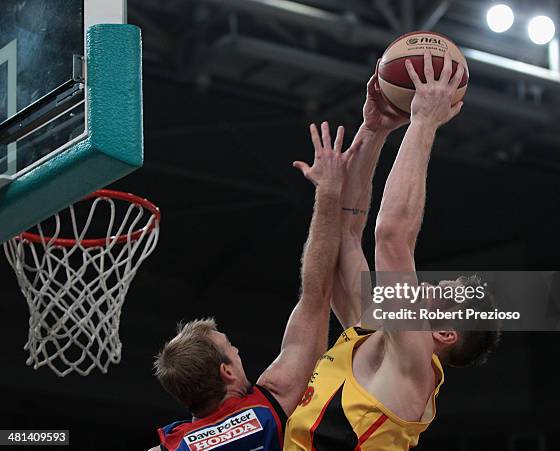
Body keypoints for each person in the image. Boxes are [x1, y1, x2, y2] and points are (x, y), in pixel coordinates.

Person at [284, 50, 501, 450]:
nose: (424, 287)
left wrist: (424, 122)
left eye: (440, 293)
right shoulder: (371, 332)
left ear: (444, 332)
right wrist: (376, 130)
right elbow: (347, 233)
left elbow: (392, 236)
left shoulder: (412, 365)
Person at [149, 123, 357, 451]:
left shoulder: (173, 447)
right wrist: (328, 191)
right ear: (226, 372)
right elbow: (316, 294)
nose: (238, 351)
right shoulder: (265, 411)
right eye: (231, 348)